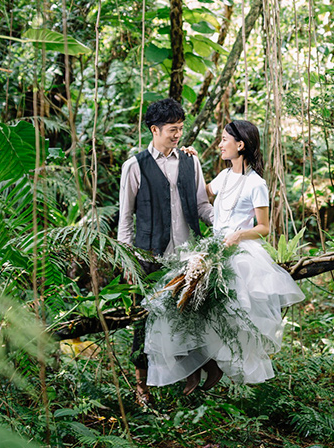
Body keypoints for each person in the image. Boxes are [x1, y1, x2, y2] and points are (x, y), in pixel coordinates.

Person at [142, 120, 305, 393]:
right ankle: (195, 365)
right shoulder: (224, 176)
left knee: (221, 308)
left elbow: (264, 227)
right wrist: (191, 163)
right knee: (178, 299)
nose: (220, 145)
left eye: (224, 140)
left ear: (240, 145)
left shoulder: (256, 184)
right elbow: (198, 195)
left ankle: (214, 363)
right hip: (213, 247)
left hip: (239, 252)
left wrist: (239, 235)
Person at [116, 98, 214, 407]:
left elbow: (202, 206)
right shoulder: (134, 166)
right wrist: (127, 260)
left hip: (188, 255)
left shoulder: (190, 162)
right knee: (144, 321)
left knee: (192, 314)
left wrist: (227, 222)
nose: (177, 135)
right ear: (154, 130)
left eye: (180, 128)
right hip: (149, 257)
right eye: (172, 129)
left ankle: (191, 375)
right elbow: (125, 218)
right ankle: (141, 385)